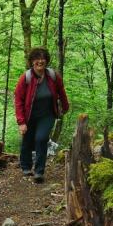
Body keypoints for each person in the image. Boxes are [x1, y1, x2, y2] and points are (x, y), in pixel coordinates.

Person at [14, 47, 69, 183]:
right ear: (32, 62)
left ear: (46, 61)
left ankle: (39, 171)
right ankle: (26, 166)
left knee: (41, 139)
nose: (40, 61)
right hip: (29, 115)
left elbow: (61, 92)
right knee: (27, 140)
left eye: (42, 58)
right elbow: (18, 100)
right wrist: (21, 122)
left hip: (47, 114)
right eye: (36, 59)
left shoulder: (53, 76)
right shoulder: (26, 78)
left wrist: (65, 106)